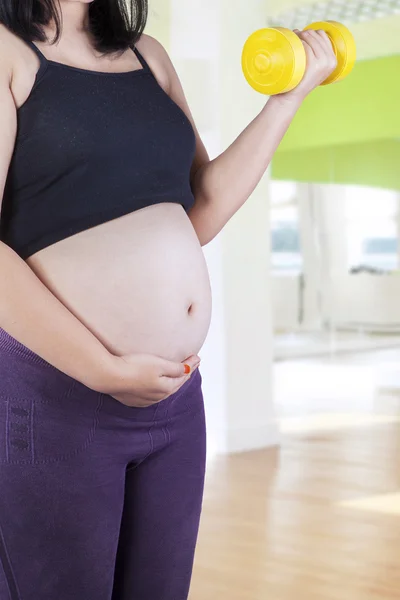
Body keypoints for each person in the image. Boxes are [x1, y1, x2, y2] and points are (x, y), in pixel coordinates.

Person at [0, 1, 337, 598]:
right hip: (59, 398)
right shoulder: (7, 53)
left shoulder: (146, 55)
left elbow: (199, 208)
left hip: (174, 401)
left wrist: (287, 100)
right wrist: (104, 370)